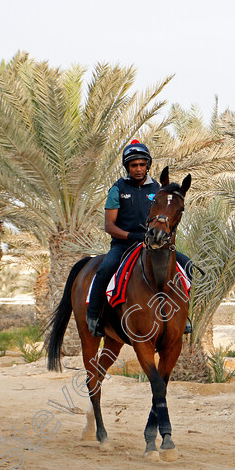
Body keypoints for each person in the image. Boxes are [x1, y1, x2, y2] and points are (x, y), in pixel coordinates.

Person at [86, 140, 193, 337]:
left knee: (187, 265)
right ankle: (94, 317)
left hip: (153, 244)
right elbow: (109, 225)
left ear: (148, 165)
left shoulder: (158, 190)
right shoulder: (117, 189)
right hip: (123, 244)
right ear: (127, 167)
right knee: (105, 268)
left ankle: (183, 316)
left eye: (142, 164)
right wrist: (132, 235)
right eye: (134, 165)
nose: (138, 169)